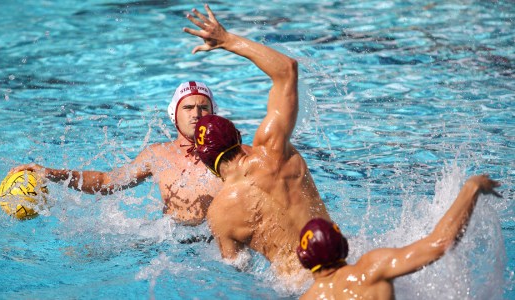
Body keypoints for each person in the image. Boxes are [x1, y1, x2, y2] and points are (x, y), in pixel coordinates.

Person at [183, 5, 332, 282]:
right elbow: (287, 70)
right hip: (338, 266)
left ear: (206, 162)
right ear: (238, 137)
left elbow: (238, 272)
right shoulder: (273, 150)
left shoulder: (219, 215)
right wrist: (227, 40)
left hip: (300, 289)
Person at [9, 81, 223, 226]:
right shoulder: (158, 155)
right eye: (188, 108)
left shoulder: (230, 155)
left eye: (203, 108)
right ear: (174, 114)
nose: (196, 114)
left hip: (214, 241)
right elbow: (107, 181)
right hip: (170, 241)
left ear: (213, 113)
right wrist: (51, 173)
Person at [296, 175, 501, 299]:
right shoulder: (369, 270)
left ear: (304, 258)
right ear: (344, 246)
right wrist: (472, 187)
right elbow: (440, 243)